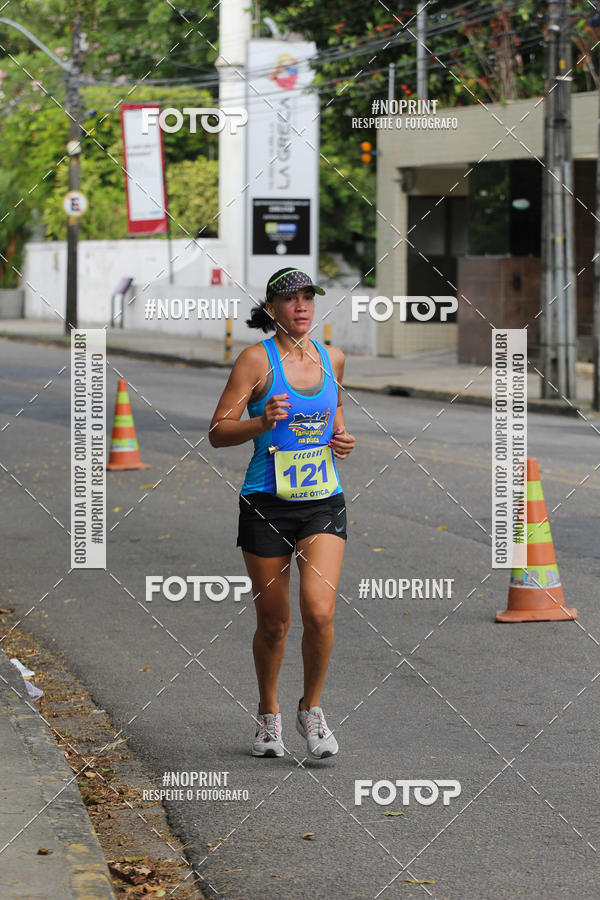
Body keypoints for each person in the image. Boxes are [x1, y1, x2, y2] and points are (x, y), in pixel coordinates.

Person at [208, 268, 355, 759]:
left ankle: (311, 709)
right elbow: (218, 431)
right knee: (274, 622)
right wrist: (260, 421)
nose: (302, 306)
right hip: (266, 504)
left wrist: (342, 440)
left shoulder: (332, 358)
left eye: (308, 297)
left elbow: (334, 422)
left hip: (322, 503)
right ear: (271, 308)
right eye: (290, 299)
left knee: (319, 610)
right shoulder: (255, 361)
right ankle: (268, 715)